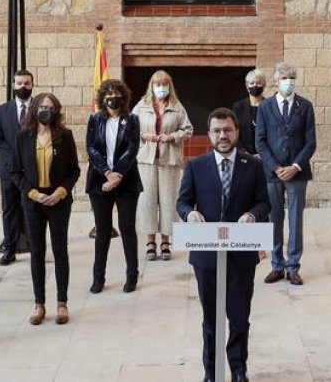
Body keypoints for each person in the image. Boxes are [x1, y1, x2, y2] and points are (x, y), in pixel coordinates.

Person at [177, 108, 270, 382]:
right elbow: (183, 201)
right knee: (211, 319)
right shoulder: (196, 166)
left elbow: (265, 202)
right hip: (206, 256)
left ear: (237, 132)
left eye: (227, 130)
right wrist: (188, 214)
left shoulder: (252, 165)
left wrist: (253, 215)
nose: (222, 135)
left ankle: (238, 370)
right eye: (217, 131)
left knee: (239, 317)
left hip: (241, 254)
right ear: (210, 134)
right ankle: (211, 372)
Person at [14, 92, 81, 326]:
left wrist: (60, 192)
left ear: (56, 111)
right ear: (35, 109)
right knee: (37, 252)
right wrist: (33, 194)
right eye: (42, 106)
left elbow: (75, 170)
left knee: (60, 250)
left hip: (58, 200)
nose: (46, 110)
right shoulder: (23, 137)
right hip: (33, 201)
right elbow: (15, 172)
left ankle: (62, 303)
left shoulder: (65, 136)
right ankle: (39, 303)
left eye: (51, 107)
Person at [255, 61, 316, 286]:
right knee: (274, 219)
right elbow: (260, 141)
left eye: (291, 77)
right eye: (283, 77)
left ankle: (293, 266)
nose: (288, 81)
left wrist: (295, 166)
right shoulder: (265, 107)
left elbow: (310, 142)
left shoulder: (306, 106)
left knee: (295, 219)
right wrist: (275, 167)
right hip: (273, 173)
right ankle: (276, 265)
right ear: (275, 81)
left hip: (297, 173)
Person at [85, 78, 143, 293]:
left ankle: (132, 276)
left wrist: (117, 174)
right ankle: (98, 278)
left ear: (124, 97)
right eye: (108, 94)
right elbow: (91, 149)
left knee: (127, 228)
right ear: (102, 98)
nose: (113, 98)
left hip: (127, 180)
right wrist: (107, 173)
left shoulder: (133, 120)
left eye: (117, 94)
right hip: (99, 182)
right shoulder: (95, 120)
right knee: (102, 230)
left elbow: (132, 149)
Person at [132, 70, 193, 262]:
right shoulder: (141, 106)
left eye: (165, 85)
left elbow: (188, 129)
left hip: (170, 160)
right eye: (158, 85)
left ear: (170, 86)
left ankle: (166, 241)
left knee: (168, 200)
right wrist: (144, 136)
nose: (161, 88)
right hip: (146, 160)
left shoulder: (177, 106)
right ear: (152, 86)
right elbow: (130, 128)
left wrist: (173, 136)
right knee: (147, 200)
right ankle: (150, 242)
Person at [0, 70, 35, 265]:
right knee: (9, 209)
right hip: (8, 170)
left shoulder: (38, 108)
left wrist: (28, 162)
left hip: (33, 171)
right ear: (13, 85)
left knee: (32, 208)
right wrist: (15, 161)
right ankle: (10, 248)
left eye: (26, 83)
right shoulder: (2, 110)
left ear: (32, 85)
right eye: (19, 83)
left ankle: (36, 248)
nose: (23, 87)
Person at [232, 69, 267, 156]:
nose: (255, 86)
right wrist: (243, 152)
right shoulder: (238, 107)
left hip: (266, 158)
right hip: (243, 156)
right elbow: (234, 132)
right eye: (252, 83)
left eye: (258, 83)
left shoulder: (270, 106)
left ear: (264, 85)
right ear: (247, 87)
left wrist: (263, 154)